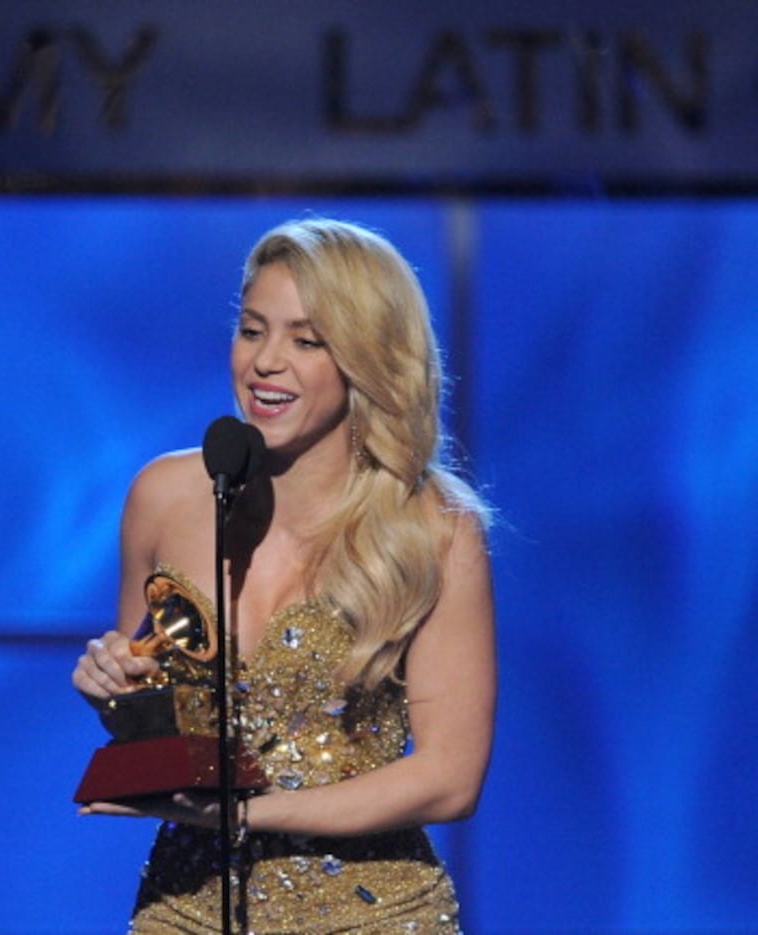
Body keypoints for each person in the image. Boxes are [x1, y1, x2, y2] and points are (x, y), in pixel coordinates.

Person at [71, 218, 496, 934]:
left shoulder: (433, 528)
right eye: (252, 330)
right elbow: (155, 721)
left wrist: (244, 812)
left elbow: (450, 777)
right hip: (189, 905)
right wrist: (115, 685)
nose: (266, 362)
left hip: (373, 915)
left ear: (365, 357)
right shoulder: (166, 497)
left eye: (306, 340)